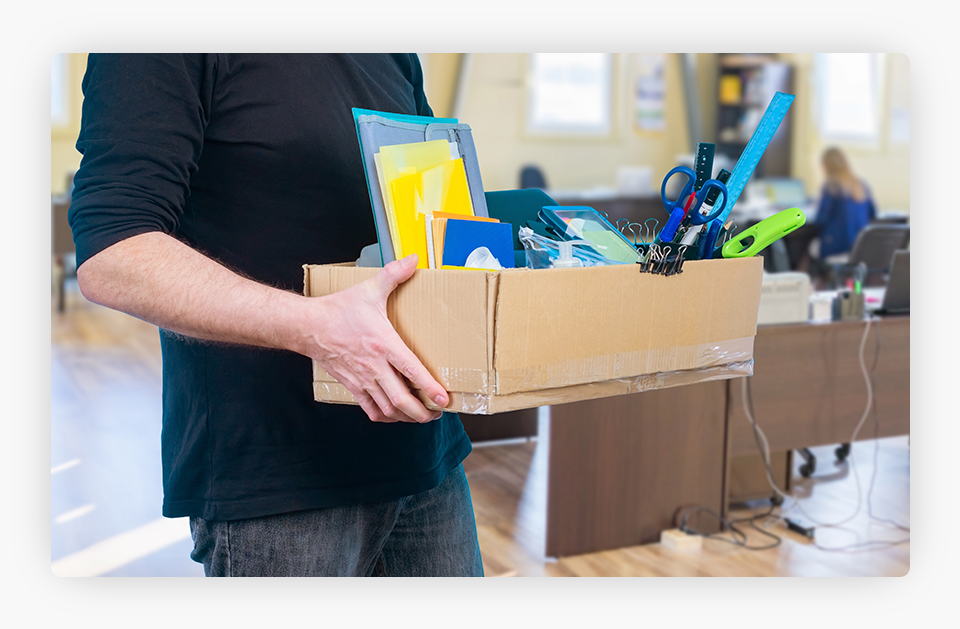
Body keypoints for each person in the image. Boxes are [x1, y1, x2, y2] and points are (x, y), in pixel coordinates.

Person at [68, 54, 483, 577]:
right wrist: (317, 328)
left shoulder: (390, 47)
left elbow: (424, 211)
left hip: (426, 457)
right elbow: (114, 252)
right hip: (279, 480)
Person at [813, 147, 877, 259]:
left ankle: (807, 275)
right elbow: (873, 213)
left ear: (827, 166)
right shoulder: (861, 185)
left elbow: (820, 219)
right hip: (859, 247)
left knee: (804, 248)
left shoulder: (831, 187)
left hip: (836, 246)